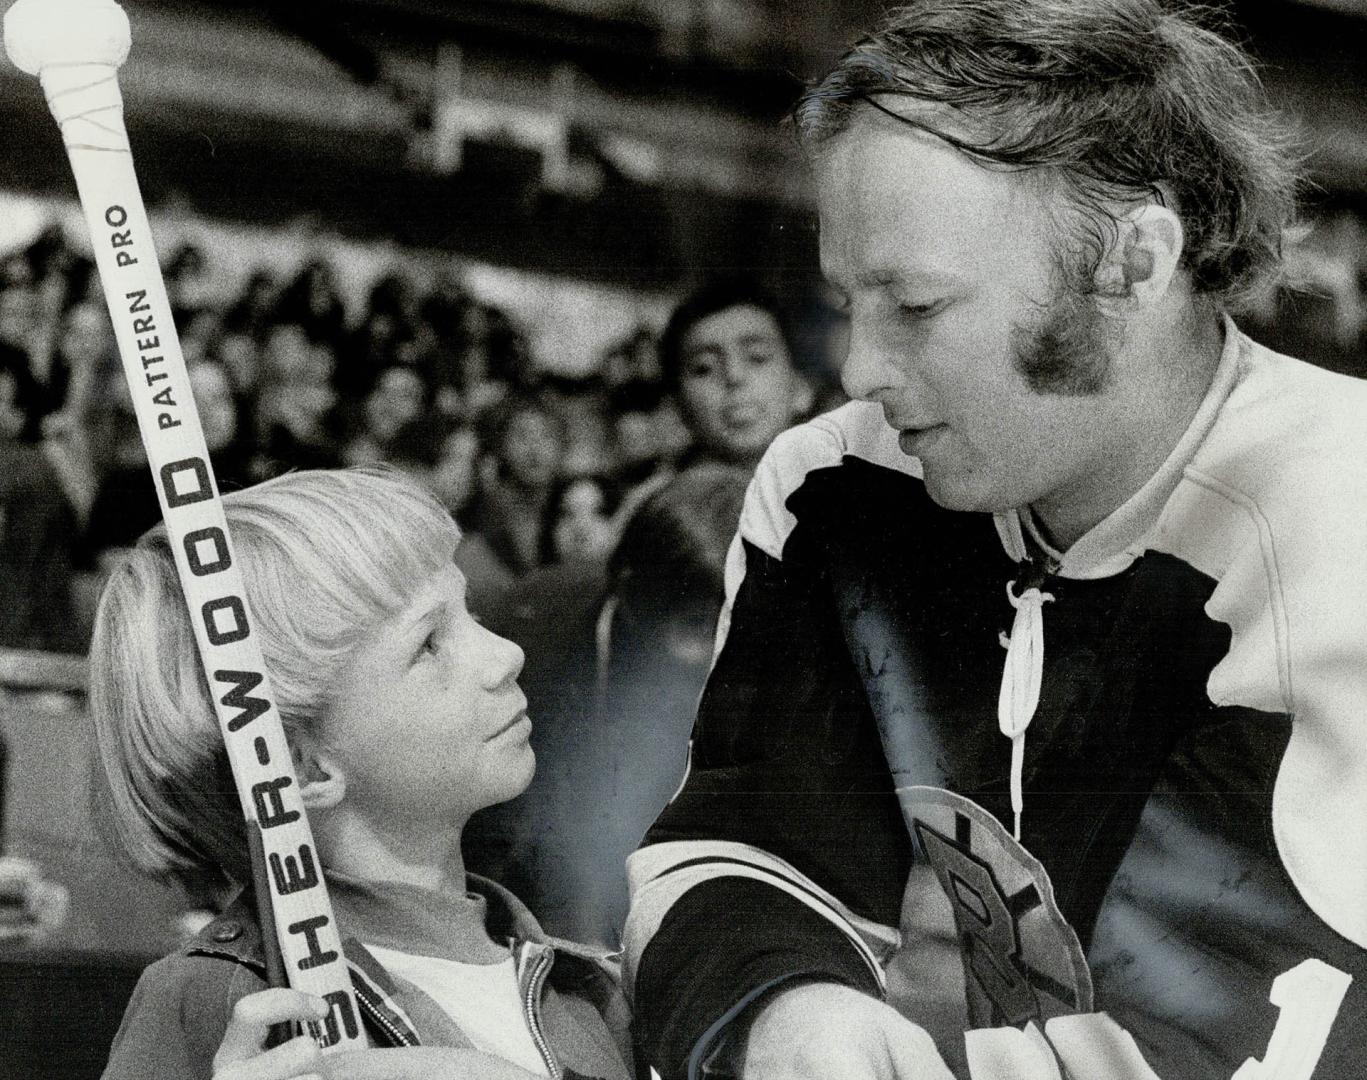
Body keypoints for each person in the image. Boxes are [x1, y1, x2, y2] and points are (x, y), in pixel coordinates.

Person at [623, 3, 1366, 1079]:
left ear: (1129, 264)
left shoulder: (1344, 515)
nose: (859, 371)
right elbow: (736, 847)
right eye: (847, 302)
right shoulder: (832, 485)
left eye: (915, 306)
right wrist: (778, 1010)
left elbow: (1266, 1029)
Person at [89, 468, 632, 1080]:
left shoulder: (596, 988)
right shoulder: (217, 1002)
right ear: (301, 765)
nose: (508, 655)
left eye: (469, 612)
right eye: (428, 643)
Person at [658, 277, 813, 474]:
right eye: (705, 368)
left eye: (757, 357)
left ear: (801, 388)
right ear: (679, 407)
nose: (734, 376)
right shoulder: (661, 502)